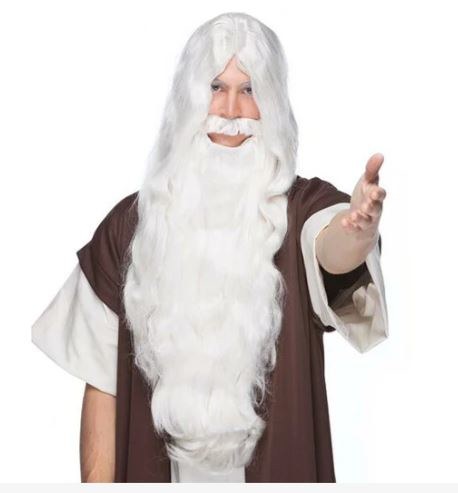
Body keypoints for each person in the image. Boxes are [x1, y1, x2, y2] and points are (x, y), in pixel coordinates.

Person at [31, 12, 389, 483]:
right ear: (188, 99)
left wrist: (358, 229)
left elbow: (332, 247)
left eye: (249, 89)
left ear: (273, 103)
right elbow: (101, 384)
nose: (231, 110)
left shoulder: (300, 209)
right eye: (216, 87)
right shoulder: (130, 228)